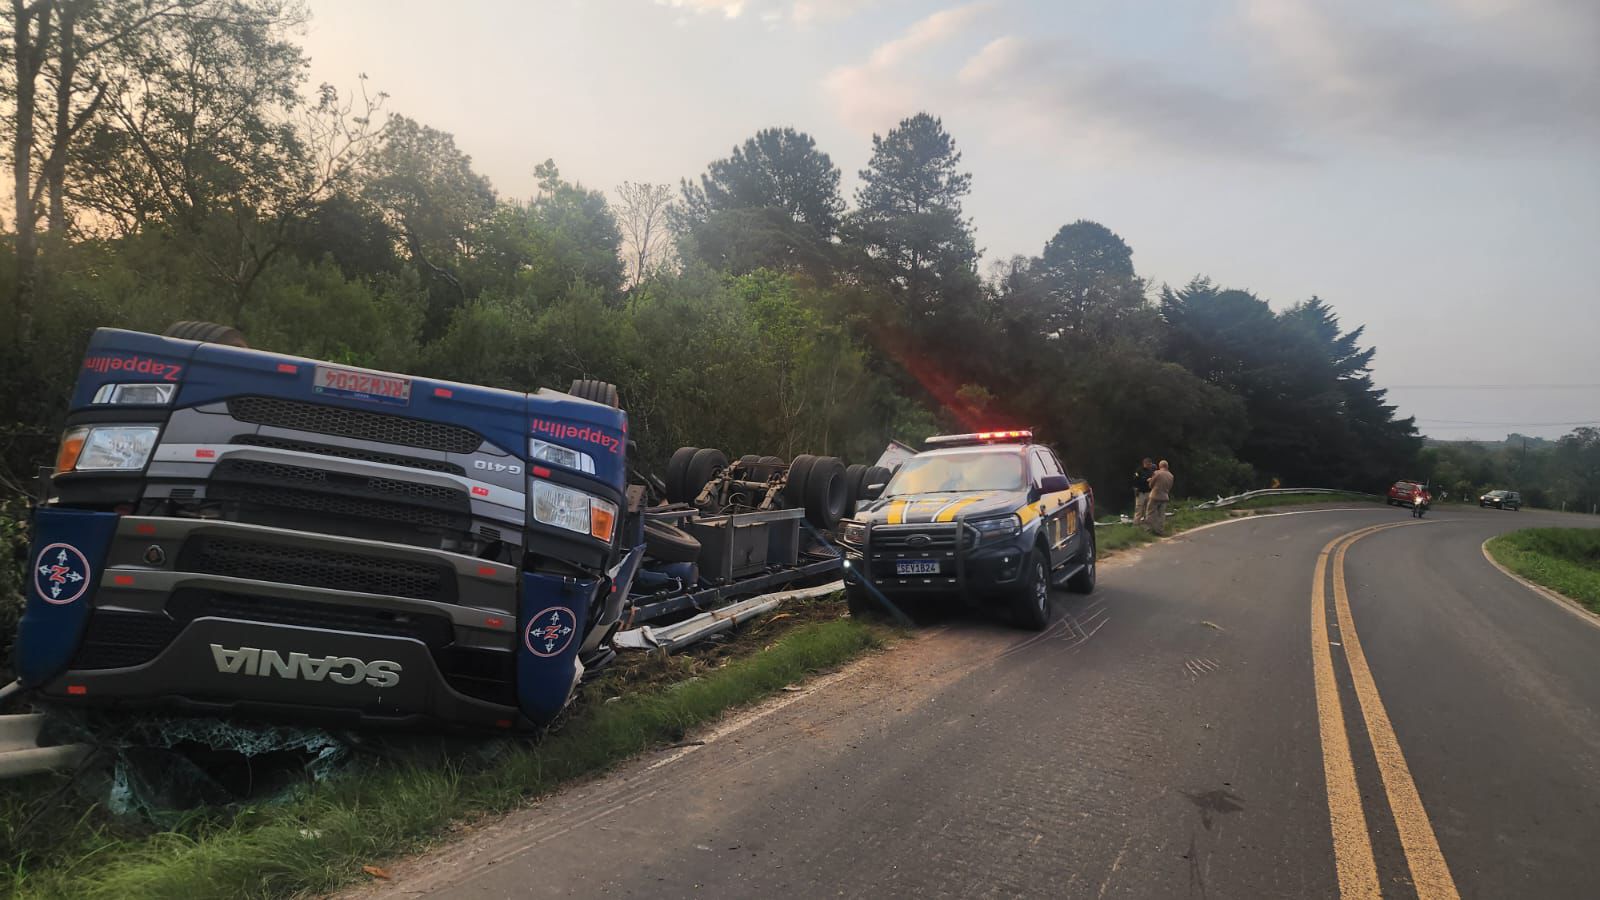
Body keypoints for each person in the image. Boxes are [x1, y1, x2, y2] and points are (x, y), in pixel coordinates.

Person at [1146, 460, 1174, 535]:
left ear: (1159, 466)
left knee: (1151, 513)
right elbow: (1170, 487)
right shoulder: (1171, 475)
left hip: (1155, 495)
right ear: (1167, 466)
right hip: (1165, 496)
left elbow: (1151, 485)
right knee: (1161, 514)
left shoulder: (1157, 473)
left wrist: (1149, 481)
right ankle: (1160, 530)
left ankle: (1149, 529)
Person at [1131, 457, 1156, 525]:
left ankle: (1147, 524)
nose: (1150, 466)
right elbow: (1135, 481)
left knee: (1148, 509)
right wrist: (1145, 480)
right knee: (1139, 509)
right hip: (1141, 492)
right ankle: (1136, 524)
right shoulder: (1139, 471)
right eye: (1149, 464)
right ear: (1145, 463)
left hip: (1148, 492)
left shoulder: (1151, 471)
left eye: (1150, 464)